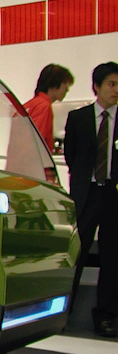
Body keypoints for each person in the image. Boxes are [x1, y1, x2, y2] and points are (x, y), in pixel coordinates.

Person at [63, 61, 118, 337]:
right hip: (87, 193)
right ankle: (64, 310)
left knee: (112, 257)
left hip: (113, 195)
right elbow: (71, 156)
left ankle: (106, 315)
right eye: (111, 84)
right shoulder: (79, 118)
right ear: (97, 86)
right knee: (76, 253)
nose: (116, 90)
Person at [24, 64, 74, 150]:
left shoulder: (29, 105)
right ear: (54, 84)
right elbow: (37, 142)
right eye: (65, 84)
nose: (67, 89)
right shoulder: (44, 107)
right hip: (33, 157)